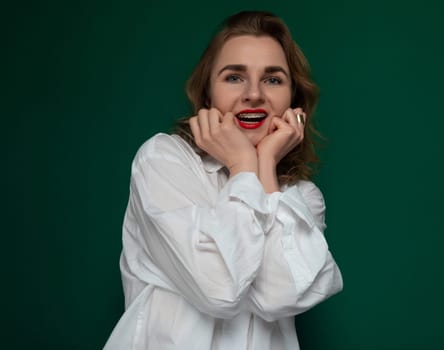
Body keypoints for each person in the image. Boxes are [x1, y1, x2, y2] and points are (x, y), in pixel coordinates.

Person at [104, 10, 343, 350]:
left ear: (293, 103)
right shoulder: (162, 161)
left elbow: (282, 296)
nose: (254, 94)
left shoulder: (303, 198)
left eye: (273, 79)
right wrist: (243, 163)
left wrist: (263, 167)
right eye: (234, 77)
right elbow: (218, 290)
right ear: (207, 96)